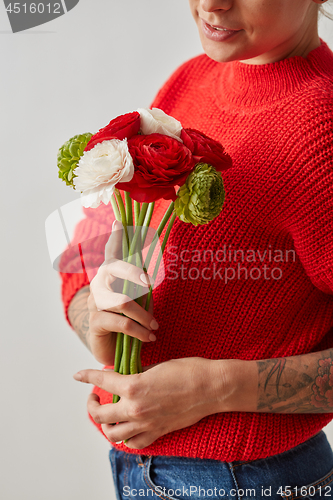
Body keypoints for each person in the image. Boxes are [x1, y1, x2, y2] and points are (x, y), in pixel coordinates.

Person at [61, 0, 333, 497]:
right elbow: (91, 241)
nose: (212, 3)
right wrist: (94, 318)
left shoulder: (324, 133)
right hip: (139, 469)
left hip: (247, 480)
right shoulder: (193, 78)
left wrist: (215, 389)